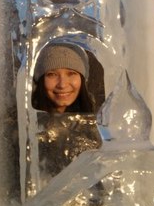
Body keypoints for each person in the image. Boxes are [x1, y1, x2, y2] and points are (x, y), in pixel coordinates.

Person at [31, 42, 102, 186]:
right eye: (52, 74)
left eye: (71, 73)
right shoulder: (23, 127)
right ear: (40, 79)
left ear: (82, 79)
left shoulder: (97, 125)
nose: (62, 84)